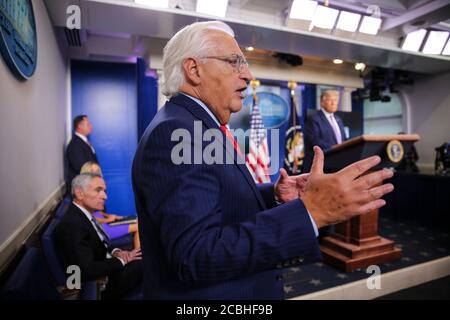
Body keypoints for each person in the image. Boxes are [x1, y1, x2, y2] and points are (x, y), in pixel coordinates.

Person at [132, 21, 394, 299]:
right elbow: (197, 255)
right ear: (194, 70)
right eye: (235, 62)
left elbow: (214, 198)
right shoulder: (179, 132)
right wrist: (311, 212)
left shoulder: (195, 125)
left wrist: (275, 195)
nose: (248, 74)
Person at [56, 173, 143, 300]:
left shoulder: (84, 215)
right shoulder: (72, 225)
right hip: (102, 285)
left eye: (104, 191)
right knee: (151, 261)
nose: (105, 196)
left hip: (107, 266)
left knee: (146, 255)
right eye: (98, 190)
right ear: (79, 193)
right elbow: (86, 271)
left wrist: (116, 252)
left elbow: (100, 243)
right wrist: (122, 260)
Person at [80, 162, 141, 249]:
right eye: (92, 171)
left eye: (98, 171)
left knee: (138, 221)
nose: (96, 173)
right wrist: (108, 219)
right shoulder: (85, 192)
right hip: (101, 229)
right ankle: (138, 258)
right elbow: (87, 218)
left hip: (104, 224)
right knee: (139, 227)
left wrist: (111, 216)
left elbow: (97, 212)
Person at [303, 90, 347, 172]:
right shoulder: (314, 119)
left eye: (336, 100)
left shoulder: (338, 119)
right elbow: (314, 140)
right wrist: (334, 148)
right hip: (322, 164)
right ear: (322, 103)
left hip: (338, 163)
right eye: (331, 100)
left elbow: (343, 139)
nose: (334, 103)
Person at [66, 115, 98, 190]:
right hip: (82, 188)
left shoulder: (83, 142)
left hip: (88, 186)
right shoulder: (75, 144)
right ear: (80, 126)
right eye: (88, 124)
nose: (91, 126)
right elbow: (81, 167)